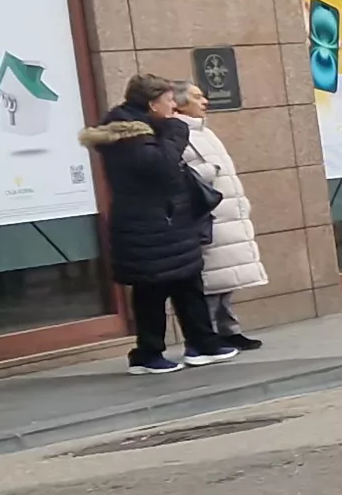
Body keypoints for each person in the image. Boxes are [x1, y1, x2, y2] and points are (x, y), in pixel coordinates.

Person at [83, 75, 235, 374]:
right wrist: (177, 129)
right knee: (151, 290)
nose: (173, 106)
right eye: (168, 101)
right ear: (152, 104)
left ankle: (202, 343)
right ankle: (148, 354)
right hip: (147, 225)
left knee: (188, 282)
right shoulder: (126, 134)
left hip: (170, 221)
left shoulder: (150, 127)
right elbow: (161, 166)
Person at [171, 82, 267, 352]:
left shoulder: (203, 131)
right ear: (178, 103)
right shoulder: (177, 132)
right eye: (197, 97)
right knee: (210, 280)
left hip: (224, 214)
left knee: (225, 277)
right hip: (206, 216)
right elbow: (181, 174)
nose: (204, 101)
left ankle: (229, 330)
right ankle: (208, 334)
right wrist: (208, 169)